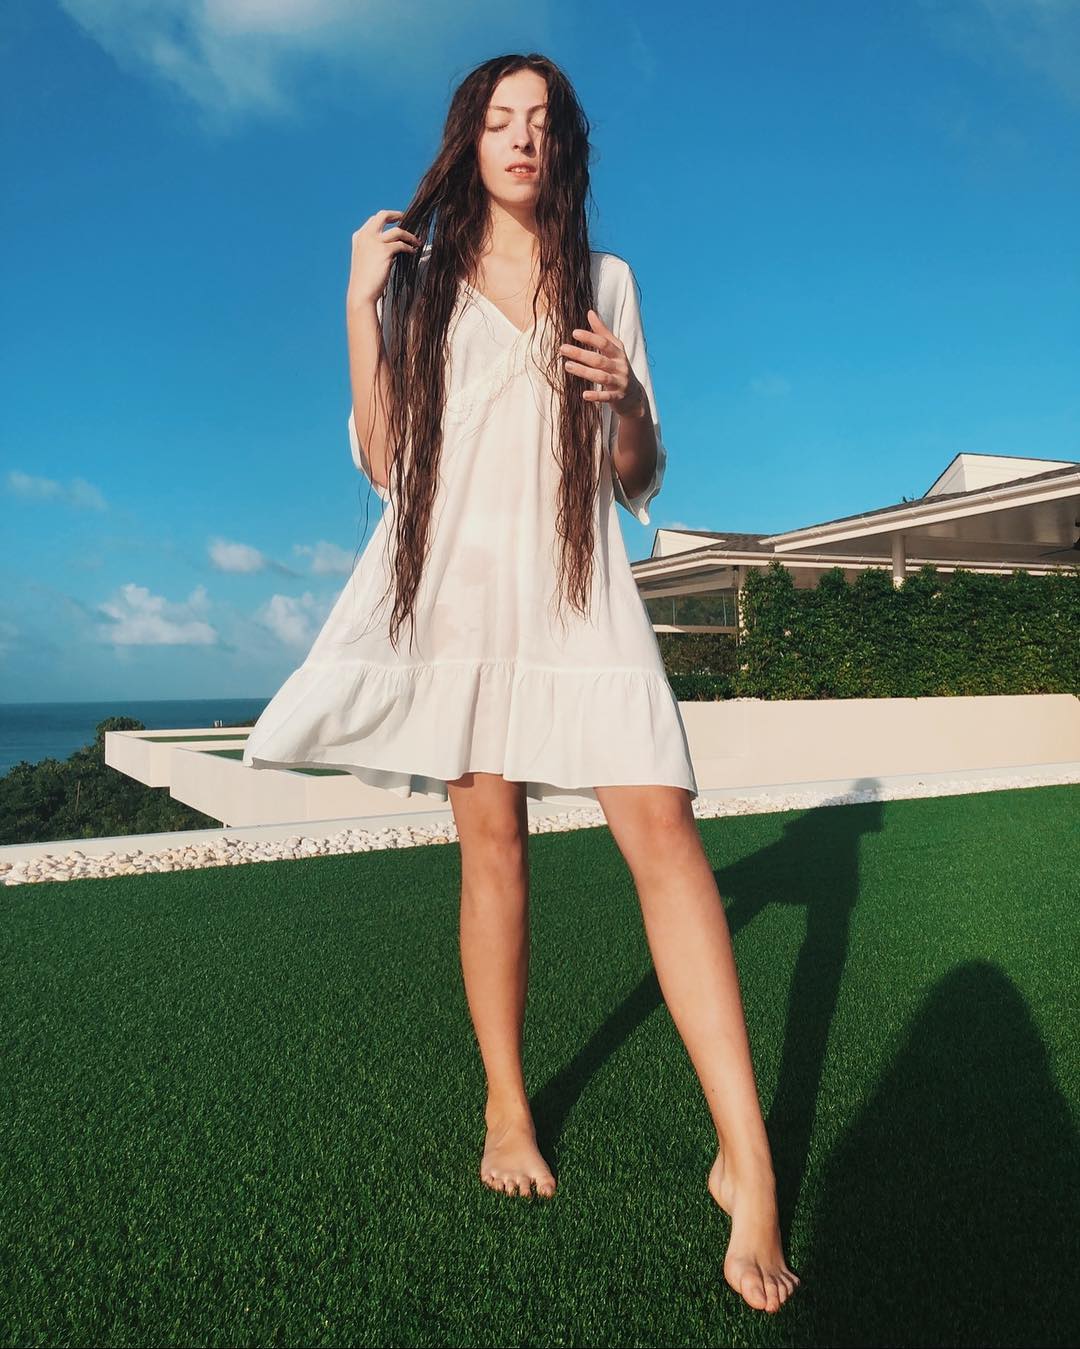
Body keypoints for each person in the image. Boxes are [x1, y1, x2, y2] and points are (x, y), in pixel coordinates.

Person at [243, 53, 800, 1315]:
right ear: (469, 140)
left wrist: (628, 400)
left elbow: (638, 473)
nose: (522, 138)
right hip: (459, 593)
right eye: (500, 119)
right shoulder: (420, 283)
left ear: (566, 147)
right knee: (491, 842)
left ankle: (748, 1159)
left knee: (665, 829)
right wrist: (355, 305)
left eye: (542, 122)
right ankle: (507, 1101)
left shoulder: (607, 280)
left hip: (578, 584)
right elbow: (385, 460)